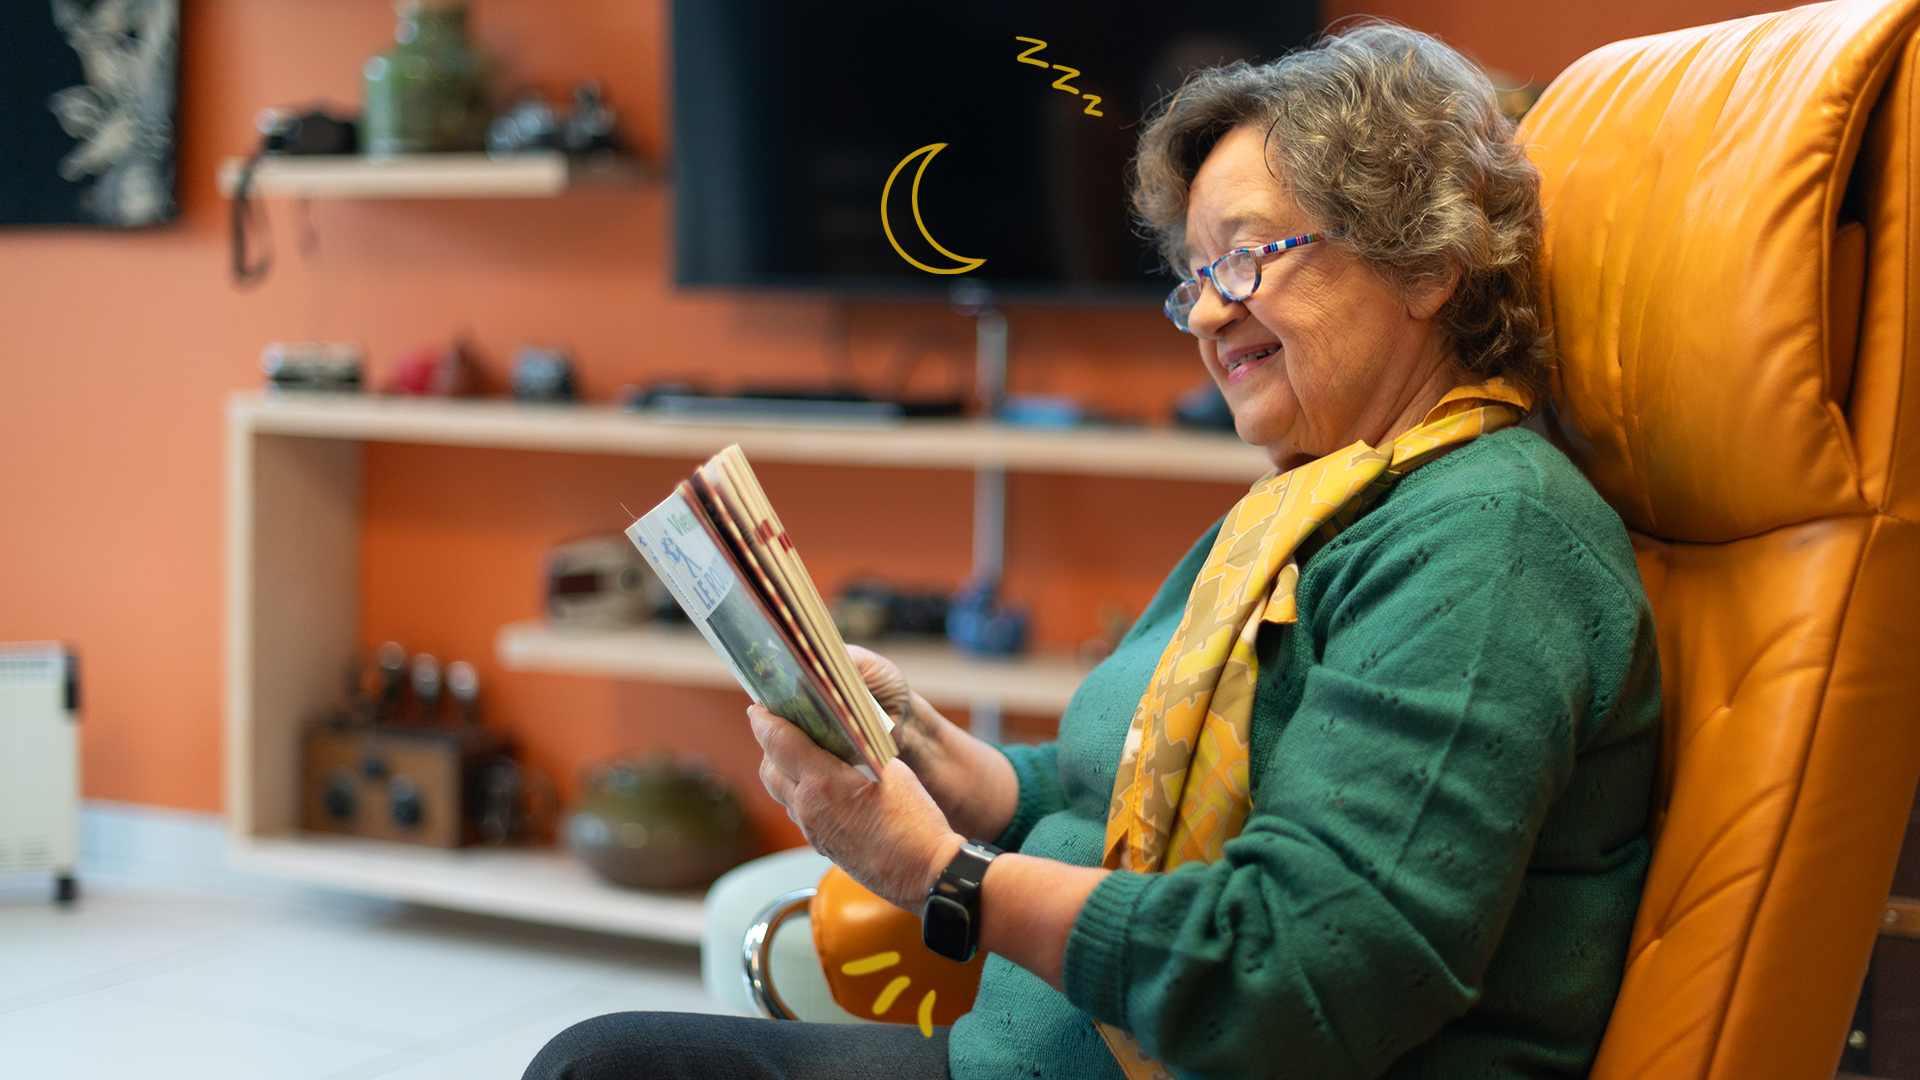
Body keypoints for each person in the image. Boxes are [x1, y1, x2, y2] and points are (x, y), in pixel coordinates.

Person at [527, 22, 1659, 1080]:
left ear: (1428, 260)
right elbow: (1104, 797)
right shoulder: (1303, 508)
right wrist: (923, 748)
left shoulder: (1490, 536)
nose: (1212, 314)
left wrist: (941, 877)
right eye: (1198, 274)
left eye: (1253, 255)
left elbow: (1300, 973)